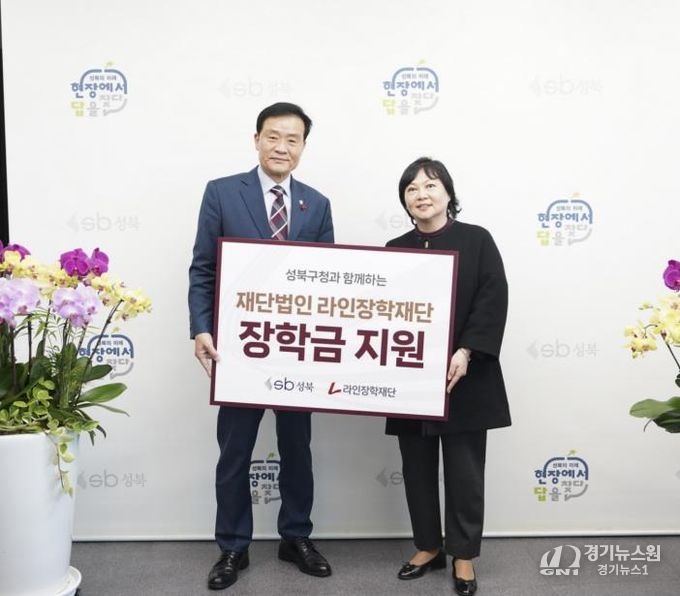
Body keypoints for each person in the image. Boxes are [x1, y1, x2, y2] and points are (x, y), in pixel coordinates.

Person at [188, 102, 334, 591]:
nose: (282, 147)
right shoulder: (222, 192)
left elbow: (329, 282)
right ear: (256, 140)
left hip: (297, 352)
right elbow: (203, 269)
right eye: (273, 136)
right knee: (235, 452)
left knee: (297, 449)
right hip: (238, 351)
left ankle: (296, 537)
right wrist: (201, 328)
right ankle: (233, 546)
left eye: (293, 140)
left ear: (303, 147)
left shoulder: (317, 204)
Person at [385, 157, 510, 596]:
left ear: (448, 193)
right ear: (404, 200)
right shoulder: (395, 248)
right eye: (411, 189)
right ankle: (428, 546)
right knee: (416, 468)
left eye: (430, 186)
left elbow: (493, 297)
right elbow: (382, 311)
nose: (421, 195)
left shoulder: (477, 240)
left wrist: (466, 349)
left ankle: (463, 554)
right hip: (409, 378)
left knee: (464, 472)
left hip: (465, 376)